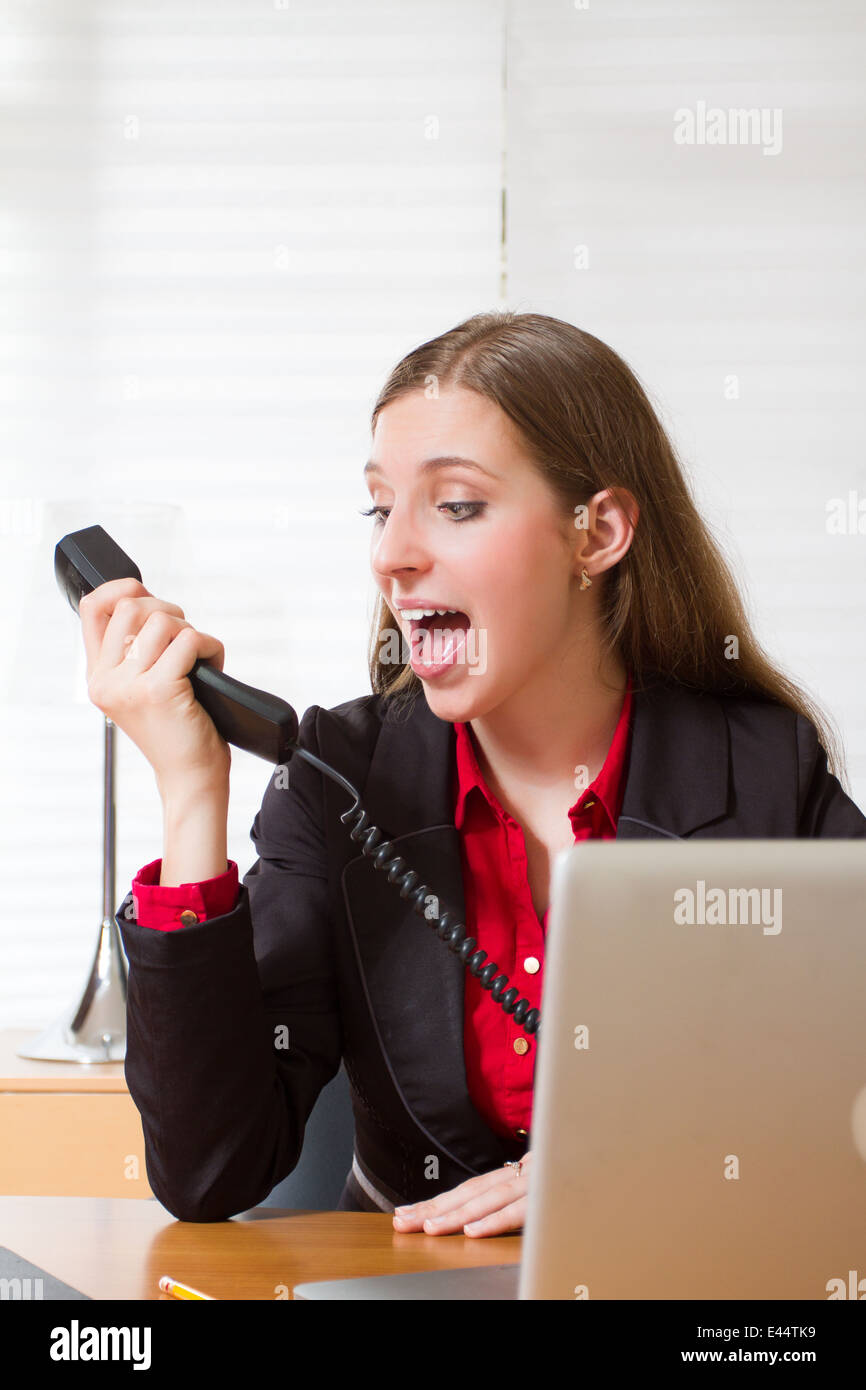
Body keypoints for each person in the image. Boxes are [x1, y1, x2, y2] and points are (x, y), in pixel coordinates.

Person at [81, 310, 866, 1235]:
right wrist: (191, 789)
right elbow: (211, 1170)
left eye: (455, 505)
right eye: (381, 508)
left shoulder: (762, 770)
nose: (391, 554)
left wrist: (657, 1162)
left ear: (596, 534)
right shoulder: (340, 778)